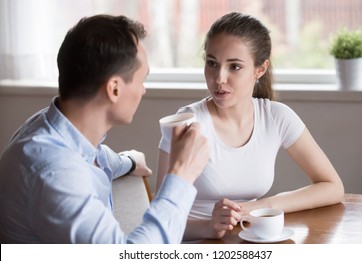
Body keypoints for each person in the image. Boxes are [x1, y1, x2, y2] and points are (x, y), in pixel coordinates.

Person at [0, 15, 209, 244]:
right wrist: (181, 174)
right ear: (115, 89)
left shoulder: (53, 125)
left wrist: (129, 161)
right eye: (142, 80)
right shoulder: (54, 172)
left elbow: (93, 156)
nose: (143, 91)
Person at [156, 12, 344, 241]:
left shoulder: (277, 117)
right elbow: (160, 218)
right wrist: (208, 226)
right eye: (212, 63)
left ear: (260, 69)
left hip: (247, 241)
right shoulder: (186, 123)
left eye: (234, 67)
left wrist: (260, 207)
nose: (219, 78)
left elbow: (332, 187)